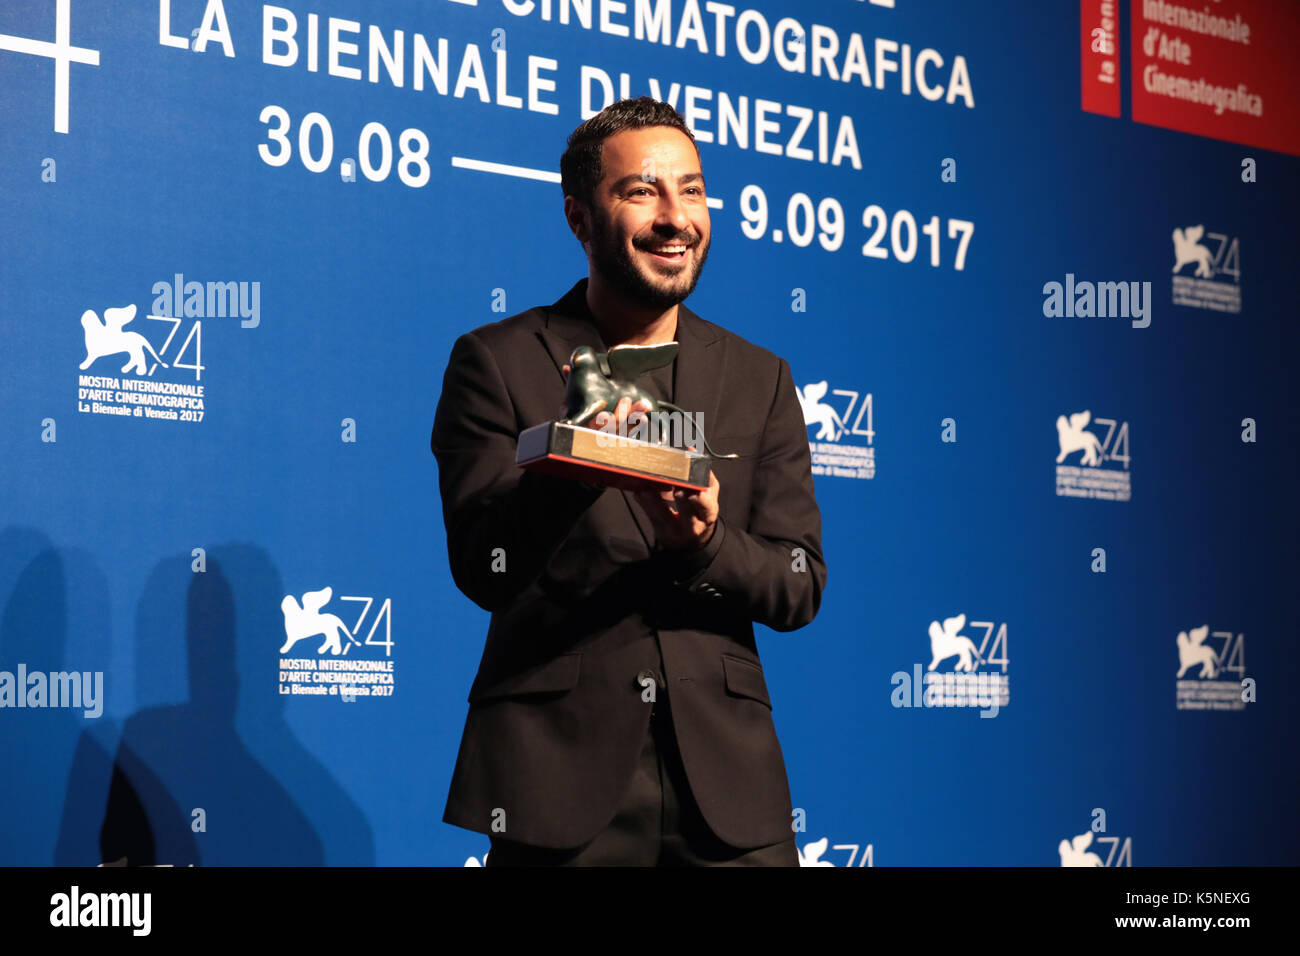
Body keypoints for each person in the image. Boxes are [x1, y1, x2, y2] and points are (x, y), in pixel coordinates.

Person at [430, 97, 827, 865]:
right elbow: (485, 567)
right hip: (555, 784)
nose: (676, 217)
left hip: (731, 796)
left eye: (694, 189)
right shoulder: (497, 361)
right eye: (642, 191)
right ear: (580, 219)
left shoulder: (760, 378)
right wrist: (574, 469)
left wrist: (706, 544)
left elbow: (799, 583)